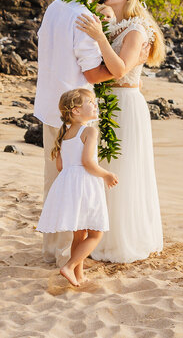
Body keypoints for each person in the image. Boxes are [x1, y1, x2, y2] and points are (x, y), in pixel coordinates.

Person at [75, 0, 166, 263]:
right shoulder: (115, 24)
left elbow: (121, 69)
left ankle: (118, 240)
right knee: (101, 166)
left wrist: (100, 38)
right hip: (104, 103)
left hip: (125, 105)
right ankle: (97, 235)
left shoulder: (137, 29)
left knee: (120, 170)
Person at [34, 0, 119, 264]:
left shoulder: (56, 7)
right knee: (74, 182)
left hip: (49, 104)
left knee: (53, 180)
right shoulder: (84, 19)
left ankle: (51, 249)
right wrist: (121, 68)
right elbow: (93, 73)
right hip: (73, 111)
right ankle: (62, 255)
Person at [35, 88, 120, 287]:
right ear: (76, 111)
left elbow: (60, 166)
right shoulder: (90, 130)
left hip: (68, 184)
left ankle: (79, 275)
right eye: (90, 103)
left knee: (79, 235)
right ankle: (69, 266)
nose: (95, 105)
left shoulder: (65, 132)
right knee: (96, 233)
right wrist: (106, 174)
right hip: (86, 183)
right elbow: (88, 162)